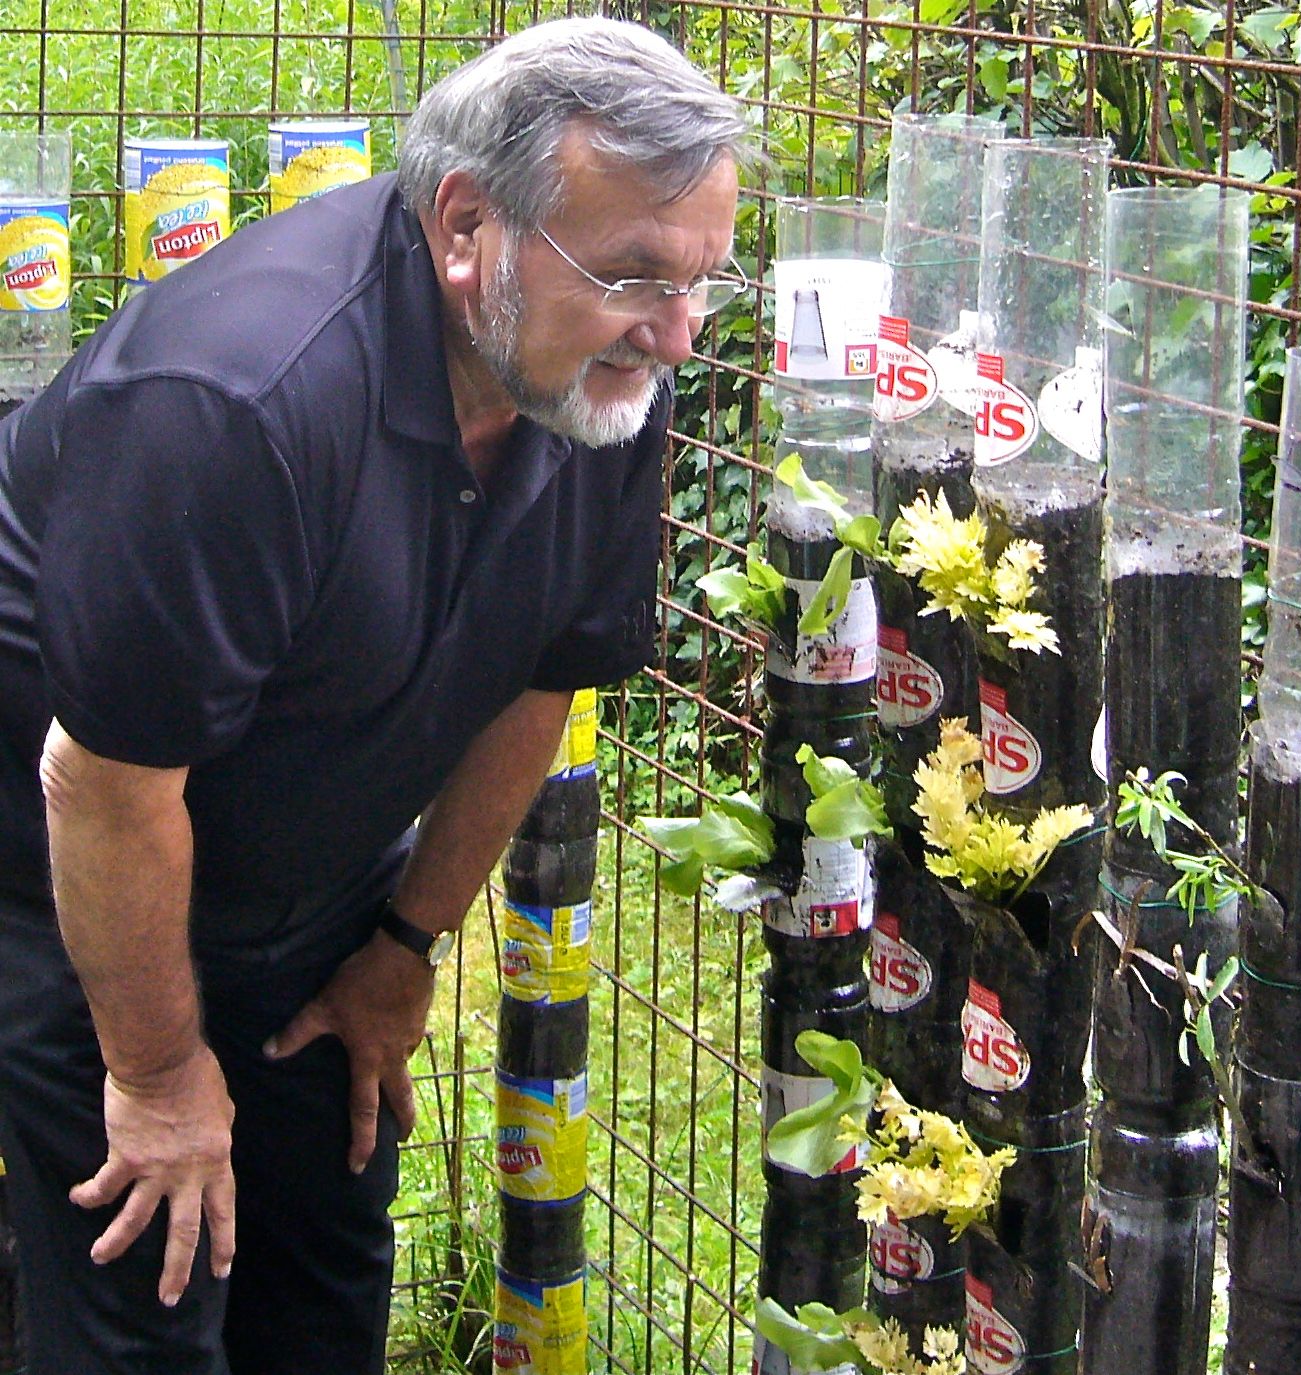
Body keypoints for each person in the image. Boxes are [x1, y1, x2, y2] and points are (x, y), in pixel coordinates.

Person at [0, 17, 755, 1372]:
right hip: (66, 874)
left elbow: (539, 681)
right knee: (146, 1306)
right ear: (467, 226)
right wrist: (162, 1079)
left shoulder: (597, 375)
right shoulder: (240, 398)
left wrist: (402, 949)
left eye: (705, 281)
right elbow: (99, 787)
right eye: (637, 274)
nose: (681, 334)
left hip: (299, 866)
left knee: (324, 1270)